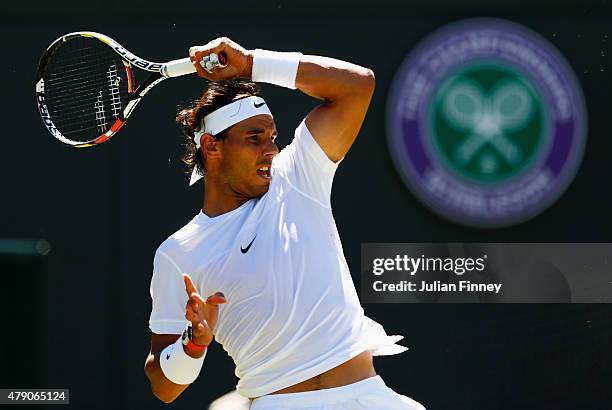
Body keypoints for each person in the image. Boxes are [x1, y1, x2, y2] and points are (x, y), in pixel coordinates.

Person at [143, 36, 426, 410]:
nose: (271, 149)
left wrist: (250, 64)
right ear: (212, 147)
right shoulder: (178, 254)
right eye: (254, 138)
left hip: (368, 398)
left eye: (272, 137)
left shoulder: (296, 176)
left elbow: (358, 85)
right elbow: (164, 386)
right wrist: (192, 343)